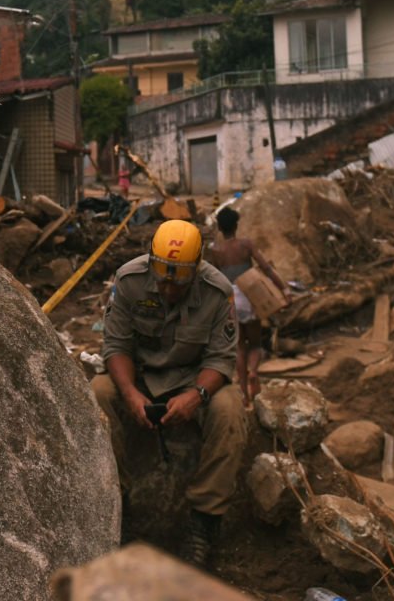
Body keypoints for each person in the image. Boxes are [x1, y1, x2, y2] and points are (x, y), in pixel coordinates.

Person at [92, 219, 246, 569]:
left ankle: (204, 521)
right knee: (99, 392)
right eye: (162, 279)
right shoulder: (129, 281)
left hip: (192, 379)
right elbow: (116, 346)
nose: (168, 289)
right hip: (142, 376)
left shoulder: (217, 290)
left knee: (230, 410)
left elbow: (222, 358)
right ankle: (119, 506)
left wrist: (196, 396)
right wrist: (131, 394)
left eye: (178, 282)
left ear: (196, 268)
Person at [208, 207, 289, 406]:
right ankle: (253, 372)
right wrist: (283, 288)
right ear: (236, 225)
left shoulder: (215, 251)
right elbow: (266, 268)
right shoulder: (245, 245)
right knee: (255, 344)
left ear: (220, 227)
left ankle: (244, 394)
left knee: (238, 346)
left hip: (229, 299)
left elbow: (213, 278)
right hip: (248, 294)